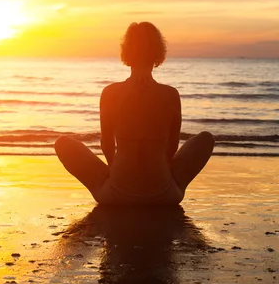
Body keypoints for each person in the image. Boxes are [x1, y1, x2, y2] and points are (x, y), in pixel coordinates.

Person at [54, 22, 214, 205]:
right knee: (206, 138)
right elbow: (172, 147)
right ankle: (171, 184)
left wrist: (115, 172)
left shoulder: (111, 93)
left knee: (62, 143)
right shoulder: (170, 94)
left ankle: (115, 180)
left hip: (116, 195)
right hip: (164, 195)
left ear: (127, 52)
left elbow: (106, 144)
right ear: (158, 53)